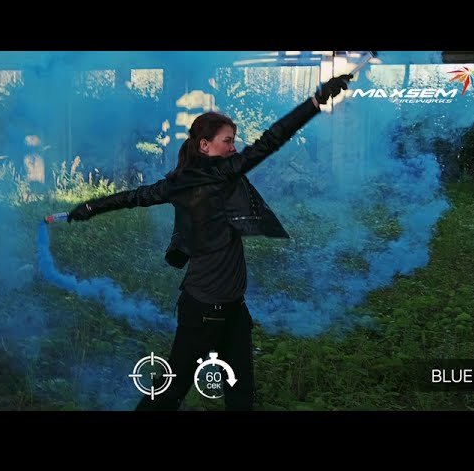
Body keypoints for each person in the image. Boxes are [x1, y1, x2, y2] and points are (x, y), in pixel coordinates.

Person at [66, 74, 353, 411]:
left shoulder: (181, 182)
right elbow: (272, 139)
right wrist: (315, 102)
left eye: (234, 142)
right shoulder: (222, 173)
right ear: (205, 145)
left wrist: (90, 207)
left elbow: (134, 197)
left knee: (240, 393)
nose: (233, 148)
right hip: (204, 308)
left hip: (232, 307)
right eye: (227, 141)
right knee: (172, 389)